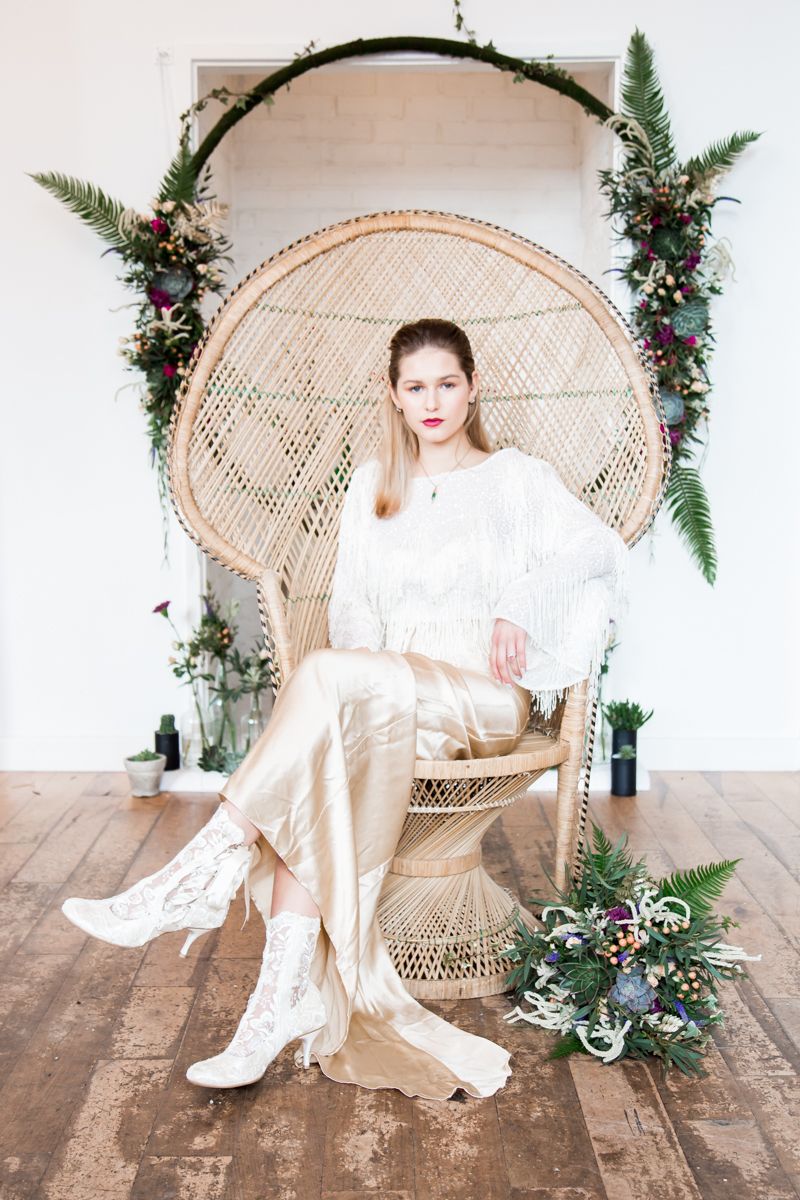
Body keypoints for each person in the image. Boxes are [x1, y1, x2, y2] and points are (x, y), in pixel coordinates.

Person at [61, 318, 630, 1099]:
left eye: (447, 383)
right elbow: (356, 614)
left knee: (330, 681)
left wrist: (523, 604)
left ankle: (198, 873)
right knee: (324, 741)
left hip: (481, 701)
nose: (432, 401)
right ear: (393, 396)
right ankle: (270, 1016)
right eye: (415, 386)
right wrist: (358, 687)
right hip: (387, 696)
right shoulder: (373, 487)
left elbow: (599, 549)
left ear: (473, 385)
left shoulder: (516, 479)